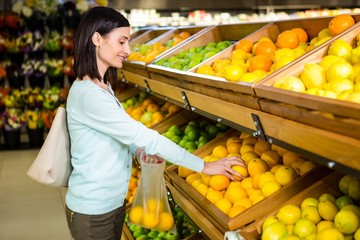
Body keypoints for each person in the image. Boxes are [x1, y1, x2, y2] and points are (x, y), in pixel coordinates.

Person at [65, 6, 246, 240]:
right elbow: (145, 136)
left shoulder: (102, 86)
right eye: (121, 42)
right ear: (97, 39)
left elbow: (118, 135)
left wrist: (138, 152)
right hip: (93, 211)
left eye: (128, 42)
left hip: (110, 204)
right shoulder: (90, 94)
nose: (128, 50)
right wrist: (205, 166)